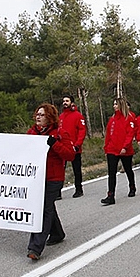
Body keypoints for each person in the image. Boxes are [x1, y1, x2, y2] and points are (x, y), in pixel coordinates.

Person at [26, 103, 76, 260]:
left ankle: (35, 247)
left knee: (43, 209)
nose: (38, 117)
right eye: (37, 114)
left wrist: (54, 144)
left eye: (42, 115)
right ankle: (57, 233)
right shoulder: (32, 133)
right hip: (38, 177)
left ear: (50, 117)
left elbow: (70, 155)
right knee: (48, 207)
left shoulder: (60, 133)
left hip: (53, 178)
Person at [101, 97, 137, 205]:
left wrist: (125, 147)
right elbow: (108, 134)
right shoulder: (112, 119)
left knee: (128, 169)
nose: (114, 106)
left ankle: (132, 186)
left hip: (124, 150)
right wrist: (106, 147)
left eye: (116, 104)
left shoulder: (129, 118)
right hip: (112, 149)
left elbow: (130, 134)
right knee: (111, 173)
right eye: (113, 104)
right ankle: (110, 195)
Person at [58, 95, 87, 199]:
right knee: (60, 170)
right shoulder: (61, 117)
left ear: (72, 102)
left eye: (67, 101)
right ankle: (58, 192)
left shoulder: (78, 116)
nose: (64, 102)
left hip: (74, 148)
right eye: (63, 101)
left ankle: (79, 189)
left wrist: (77, 145)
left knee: (76, 170)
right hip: (62, 148)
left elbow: (82, 131)